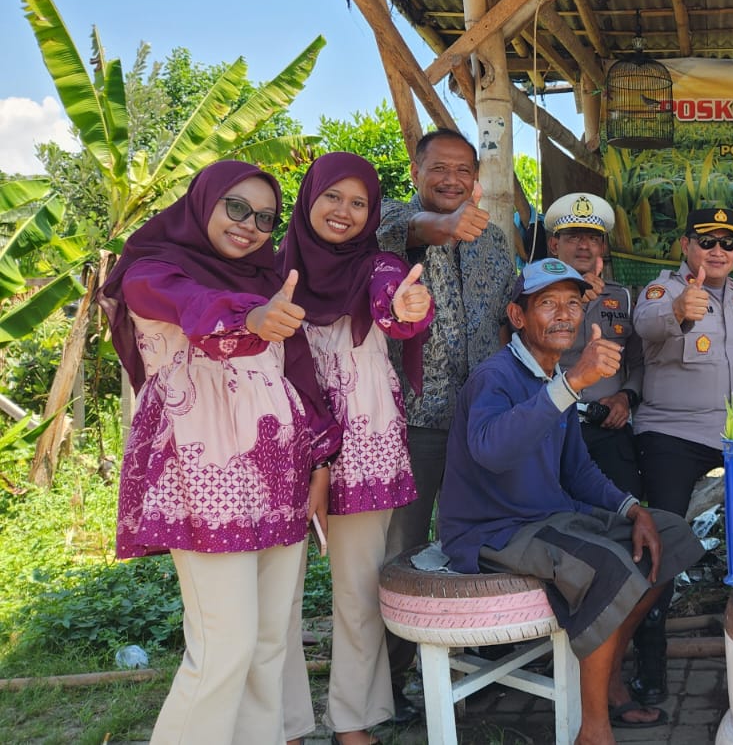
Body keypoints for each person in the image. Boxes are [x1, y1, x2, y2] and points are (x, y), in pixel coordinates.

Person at [102, 161, 335, 745]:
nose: (251, 225)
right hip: (204, 476)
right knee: (223, 646)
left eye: (264, 217)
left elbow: (301, 380)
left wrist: (318, 462)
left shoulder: (267, 281)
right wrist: (251, 317)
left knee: (267, 643)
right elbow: (186, 303)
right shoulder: (152, 268)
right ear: (202, 202)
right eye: (236, 208)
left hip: (278, 470)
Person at [436, 260, 705, 745]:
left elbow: (577, 471)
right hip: (492, 528)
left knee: (670, 536)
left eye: (573, 303)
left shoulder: (554, 376)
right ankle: (594, 728)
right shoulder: (495, 377)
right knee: (609, 566)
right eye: (547, 303)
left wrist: (632, 509)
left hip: (548, 515)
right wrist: (569, 387)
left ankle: (609, 679)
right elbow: (493, 452)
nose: (564, 314)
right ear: (518, 317)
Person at [276, 153, 435, 745]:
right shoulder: (271, 272)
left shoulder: (380, 266)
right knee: (278, 595)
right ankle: (283, 721)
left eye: (358, 202)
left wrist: (407, 308)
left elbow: (397, 305)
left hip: (364, 443)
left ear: (372, 213)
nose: (344, 212)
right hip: (284, 445)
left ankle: (354, 718)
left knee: (358, 589)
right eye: (332, 197)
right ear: (308, 198)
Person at [377, 128, 519, 718]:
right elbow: (398, 231)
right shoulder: (386, 223)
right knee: (400, 553)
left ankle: (486, 665)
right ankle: (386, 687)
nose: (454, 179)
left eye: (465, 170)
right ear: (417, 170)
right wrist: (439, 226)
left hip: (484, 426)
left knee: (484, 547)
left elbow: (517, 311)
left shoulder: (495, 242)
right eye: (440, 168)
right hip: (415, 423)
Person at [630, 208, 733, 702]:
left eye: (729, 241)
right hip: (671, 436)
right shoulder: (661, 290)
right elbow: (646, 327)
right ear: (685, 245)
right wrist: (681, 310)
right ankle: (649, 671)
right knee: (660, 551)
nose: (718, 249)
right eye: (706, 240)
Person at [545, 192, 645, 497]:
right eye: (573, 237)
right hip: (551, 426)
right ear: (554, 245)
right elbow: (528, 353)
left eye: (592, 237)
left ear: (602, 246)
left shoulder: (623, 296)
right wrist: (572, 303)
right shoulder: (532, 295)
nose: (584, 245)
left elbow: (639, 362)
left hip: (608, 428)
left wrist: (625, 398)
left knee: (625, 513)